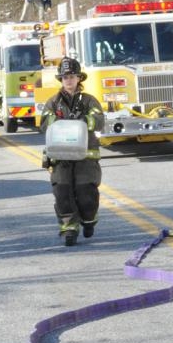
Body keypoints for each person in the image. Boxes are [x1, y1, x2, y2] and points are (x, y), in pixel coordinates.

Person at [38, 57, 104, 246]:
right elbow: (44, 124)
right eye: (65, 77)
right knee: (62, 192)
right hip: (60, 157)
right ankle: (69, 229)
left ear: (78, 78)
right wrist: (60, 123)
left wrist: (84, 121)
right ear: (61, 79)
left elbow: (99, 120)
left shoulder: (89, 101)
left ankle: (89, 221)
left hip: (85, 157)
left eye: (72, 76)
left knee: (86, 193)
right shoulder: (53, 103)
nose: (68, 80)